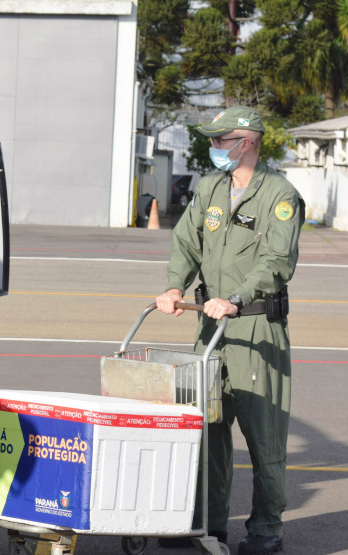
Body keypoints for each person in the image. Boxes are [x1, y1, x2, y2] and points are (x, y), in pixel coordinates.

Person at [155, 106, 303, 555]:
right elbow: (186, 239)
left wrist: (236, 298)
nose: (214, 147)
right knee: (207, 431)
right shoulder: (211, 188)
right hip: (210, 327)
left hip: (256, 328)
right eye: (213, 140)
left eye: (222, 140)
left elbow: (276, 261)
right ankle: (207, 525)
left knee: (263, 437)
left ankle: (265, 530)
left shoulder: (279, 194)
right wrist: (174, 284)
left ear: (248, 142)